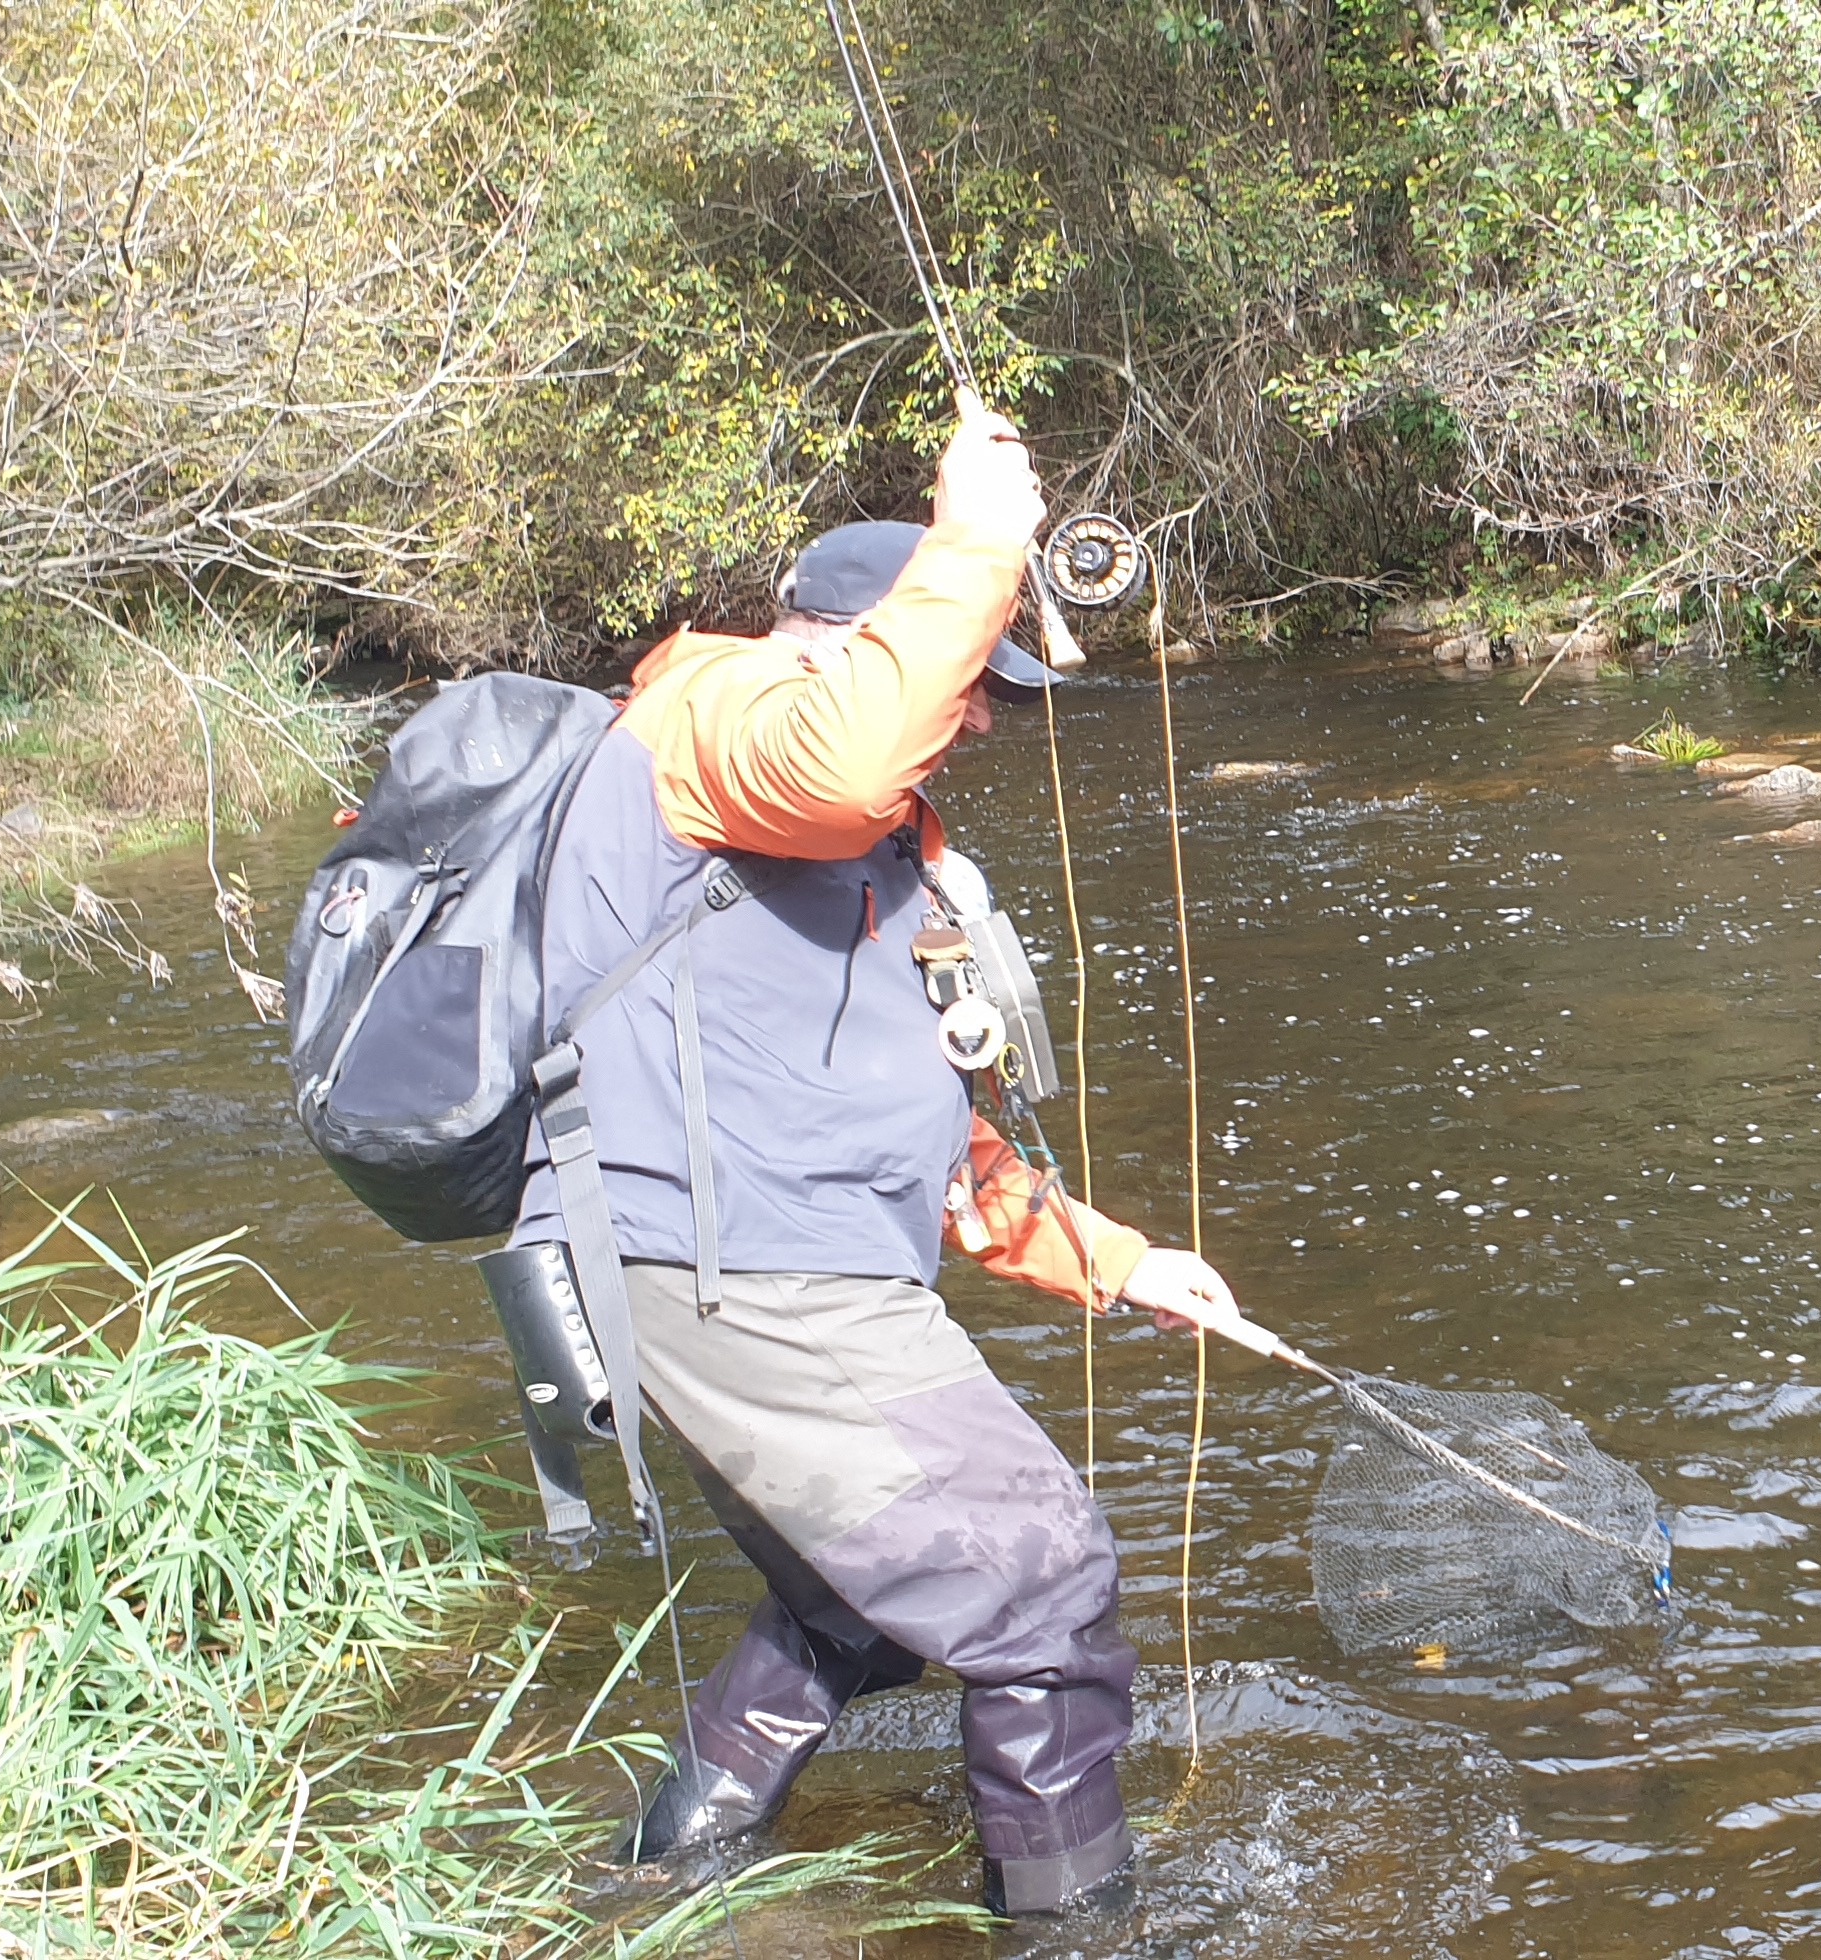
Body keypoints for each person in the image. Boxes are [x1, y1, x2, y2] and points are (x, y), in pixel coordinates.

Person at [509, 389, 1231, 1920]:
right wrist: (981, 528)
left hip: (770, 1259)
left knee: (851, 1606)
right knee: (1039, 1588)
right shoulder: (708, 722)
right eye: (973, 676)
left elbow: (924, 1125)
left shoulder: (859, 842)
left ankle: (656, 1887)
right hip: (741, 1272)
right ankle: (1080, 1936)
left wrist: (1116, 1264)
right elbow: (842, 762)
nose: (980, 713)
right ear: (839, 641)